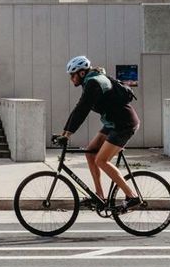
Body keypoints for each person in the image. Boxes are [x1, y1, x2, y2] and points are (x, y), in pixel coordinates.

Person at [60, 55, 140, 211]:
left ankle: (132, 196)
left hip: (124, 124)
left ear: (81, 73)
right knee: (90, 153)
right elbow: (78, 108)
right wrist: (63, 133)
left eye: (72, 75)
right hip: (113, 123)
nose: (71, 79)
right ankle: (99, 196)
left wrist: (67, 135)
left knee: (101, 160)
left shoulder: (94, 83)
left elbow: (82, 110)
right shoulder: (90, 82)